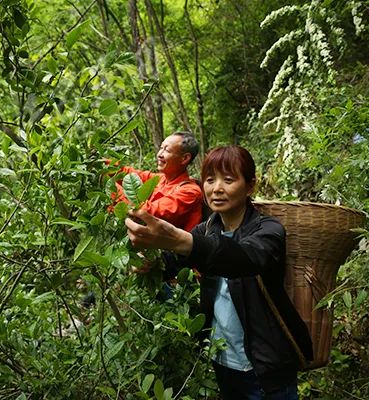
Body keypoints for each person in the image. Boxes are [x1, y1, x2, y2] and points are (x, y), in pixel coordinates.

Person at [125, 145, 313, 399]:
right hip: (223, 362)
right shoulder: (206, 230)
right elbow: (174, 261)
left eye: (229, 179)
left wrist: (180, 240)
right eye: (210, 180)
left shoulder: (268, 230)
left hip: (266, 367)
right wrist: (150, 262)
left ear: (250, 186)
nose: (217, 188)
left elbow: (242, 258)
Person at [110, 131, 202, 232]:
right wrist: (103, 163)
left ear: (184, 158)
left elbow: (147, 213)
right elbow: (130, 174)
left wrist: (111, 189)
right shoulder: (161, 179)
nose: (159, 154)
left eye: (166, 150)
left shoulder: (190, 192)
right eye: (161, 148)